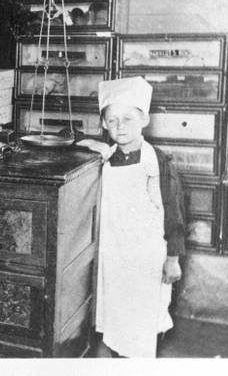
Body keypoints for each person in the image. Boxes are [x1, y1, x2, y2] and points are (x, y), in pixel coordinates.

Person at [77, 76, 186, 358]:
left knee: (141, 324)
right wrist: (91, 145)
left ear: (144, 119)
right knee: (112, 318)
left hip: (147, 258)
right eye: (112, 120)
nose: (120, 126)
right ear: (103, 124)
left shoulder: (158, 163)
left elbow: (174, 214)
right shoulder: (107, 157)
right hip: (113, 254)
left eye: (127, 118)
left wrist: (173, 258)